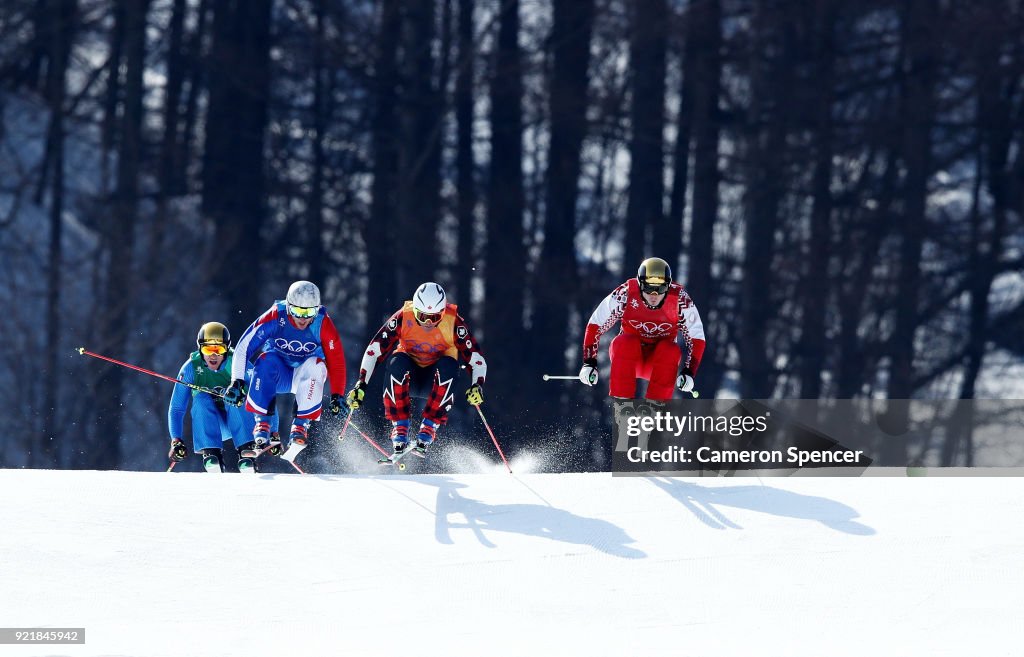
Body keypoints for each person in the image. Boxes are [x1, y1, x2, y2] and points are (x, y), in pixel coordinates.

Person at [346, 282, 487, 457]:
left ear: (443, 312)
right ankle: (400, 428)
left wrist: (477, 385)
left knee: (449, 365)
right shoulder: (403, 317)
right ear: (415, 310)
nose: (428, 322)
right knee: (396, 361)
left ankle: (429, 428)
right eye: (422, 316)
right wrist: (361, 384)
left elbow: (477, 359)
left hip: (436, 383)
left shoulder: (454, 323)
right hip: (407, 378)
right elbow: (374, 350)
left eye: (435, 317)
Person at [223, 281, 349, 460]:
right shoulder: (276, 315)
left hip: (304, 378)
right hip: (277, 375)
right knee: (265, 360)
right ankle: (262, 424)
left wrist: (337, 395)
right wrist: (237, 381)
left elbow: (336, 361)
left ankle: (300, 427)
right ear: (289, 306)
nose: (303, 318)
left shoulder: (323, 323)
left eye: (309, 312)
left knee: (317, 364)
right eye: (298, 311)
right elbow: (244, 347)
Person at [580, 257, 705, 400]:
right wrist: (589, 362)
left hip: (659, 364)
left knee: (670, 350)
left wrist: (689, 372)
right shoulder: (626, 293)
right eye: (649, 287)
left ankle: (655, 412)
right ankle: (623, 408)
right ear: (639, 284)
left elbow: (697, 338)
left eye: (660, 288)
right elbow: (596, 324)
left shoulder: (680, 300)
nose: (654, 295)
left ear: (669, 285)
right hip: (628, 359)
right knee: (625, 342)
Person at [167, 322, 277, 473]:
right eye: (208, 349)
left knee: (234, 395)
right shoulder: (191, 368)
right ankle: (212, 454)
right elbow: (177, 408)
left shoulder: (238, 363)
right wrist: (176, 440)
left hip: (242, 423)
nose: (213, 355)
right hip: (214, 425)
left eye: (219, 349)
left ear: (227, 348)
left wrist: (273, 433)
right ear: (200, 348)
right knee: (200, 399)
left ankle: (247, 453)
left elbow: (265, 397)